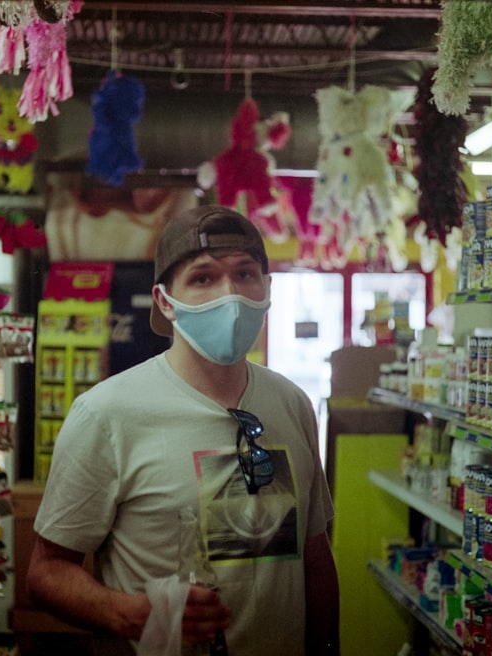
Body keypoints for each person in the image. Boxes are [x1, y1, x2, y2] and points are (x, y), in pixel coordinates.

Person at [26, 204, 340, 655]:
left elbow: (314, 558)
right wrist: (128, 614)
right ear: (164, 302)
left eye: (245, 274)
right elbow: (46, 573)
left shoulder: (291, 404)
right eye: (203, 277)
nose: (230, 294)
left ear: (267, 288)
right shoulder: (106, 415)